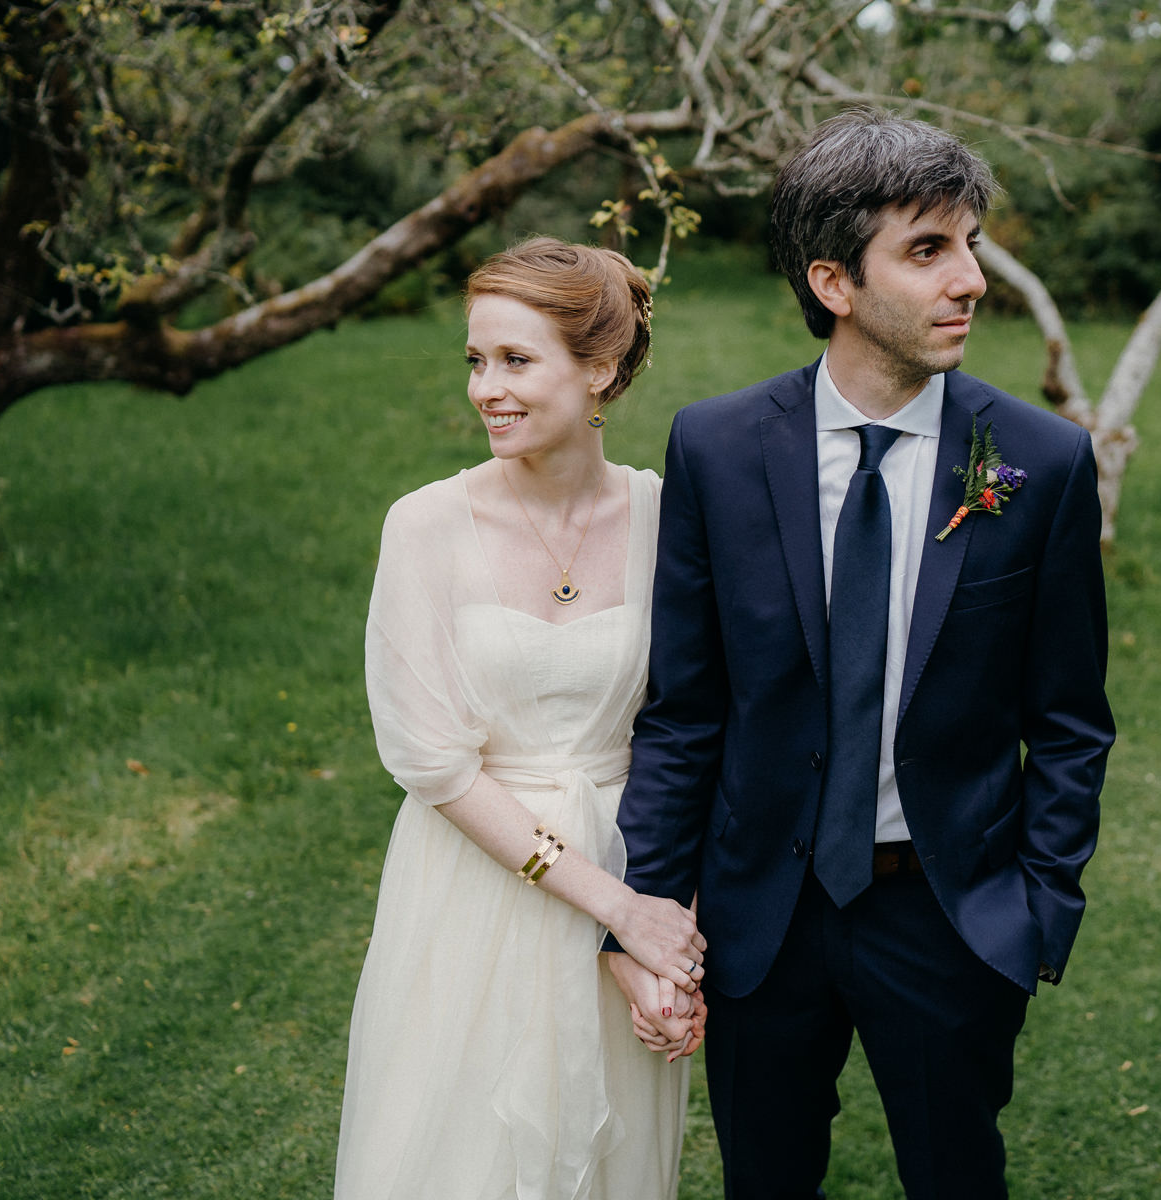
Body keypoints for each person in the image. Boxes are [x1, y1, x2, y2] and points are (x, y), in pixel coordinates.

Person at [606, 108, 1116, 1198]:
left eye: (970, 243)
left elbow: (1069, 720)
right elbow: (685, 706)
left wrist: (1037, 908)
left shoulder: (1040, 461)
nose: (970, 279)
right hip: (761, 919)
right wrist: (646, 911)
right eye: (928, 250)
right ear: (834, 282)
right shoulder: (718, 448)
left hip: (947, 914)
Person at [335, 238, 706, 1200]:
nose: (485, 389)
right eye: (475, 360)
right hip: (473, 895)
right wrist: (612, 908)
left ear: (600, 371)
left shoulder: (671, 518)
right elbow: (437, 765)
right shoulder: (421, 526)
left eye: (515, 360)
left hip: (635, 874)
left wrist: (655, 935)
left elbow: (701, 725)